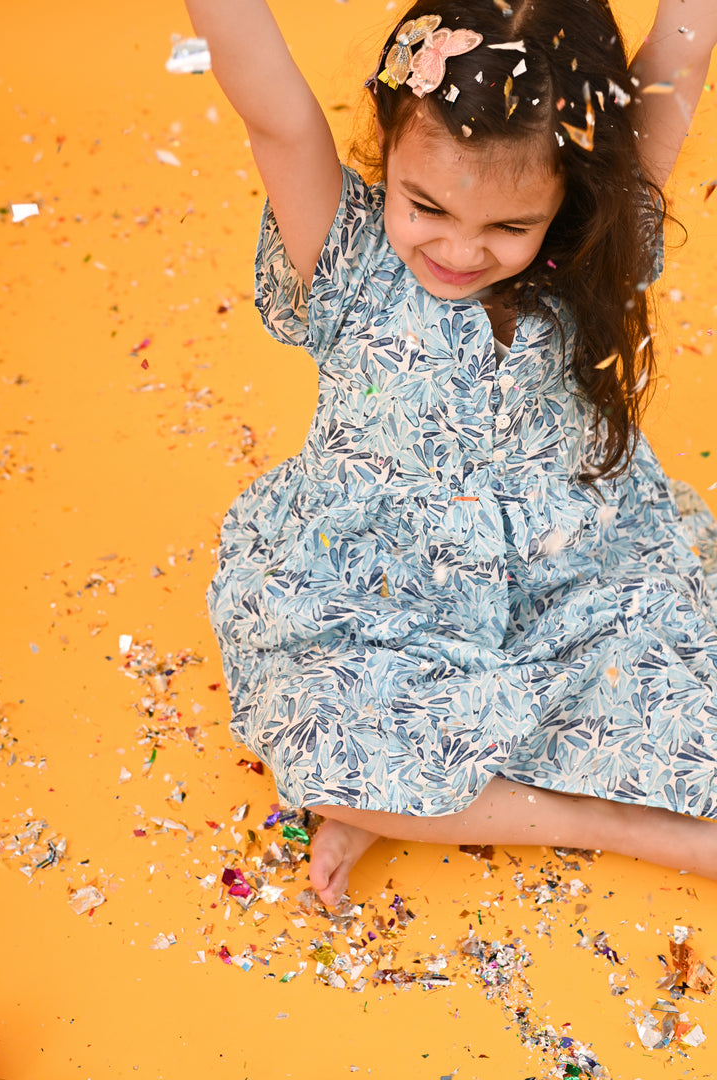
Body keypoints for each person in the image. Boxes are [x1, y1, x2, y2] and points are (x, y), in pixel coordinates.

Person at [186, 0, 717, 906]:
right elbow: (268, 100)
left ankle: (415, 802)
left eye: (511, 227)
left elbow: (679, 58)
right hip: (379, 596)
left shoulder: (596, 247)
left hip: (575, 571)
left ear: (567, 195)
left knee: (685, 683)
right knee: (322, 733)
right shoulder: (344, 254)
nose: (461, 250)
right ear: (387, 149)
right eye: (425, 205)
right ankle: (629, 827)